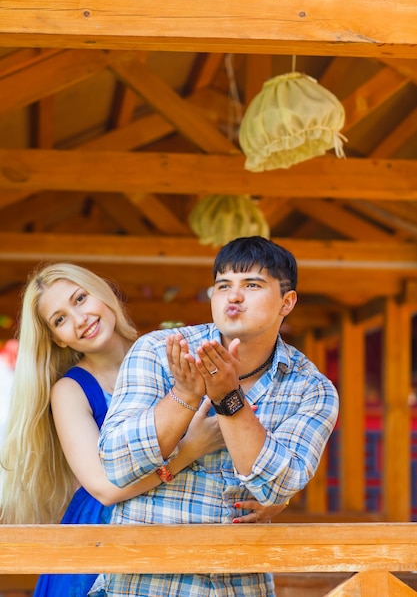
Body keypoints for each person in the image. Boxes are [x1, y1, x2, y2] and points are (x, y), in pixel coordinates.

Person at [94, 236, 340, 597]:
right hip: (141, 584)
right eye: (223, 285)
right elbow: (116, 464)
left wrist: (228, 399)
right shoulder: (159, 351)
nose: (233, 297)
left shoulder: (311, 388)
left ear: (287, 302)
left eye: (252, 285)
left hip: (238, 586)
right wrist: (185, 394)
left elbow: (279, 487)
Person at [0, 262, 247, 597]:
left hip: (187, 519)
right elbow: (105, 488)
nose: (79, 319)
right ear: (56, 339)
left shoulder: (171, 354)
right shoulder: (70, 391)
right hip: (102, 535)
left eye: (80, 299)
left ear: (103, 294)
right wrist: (187, 452)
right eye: (60, 320)